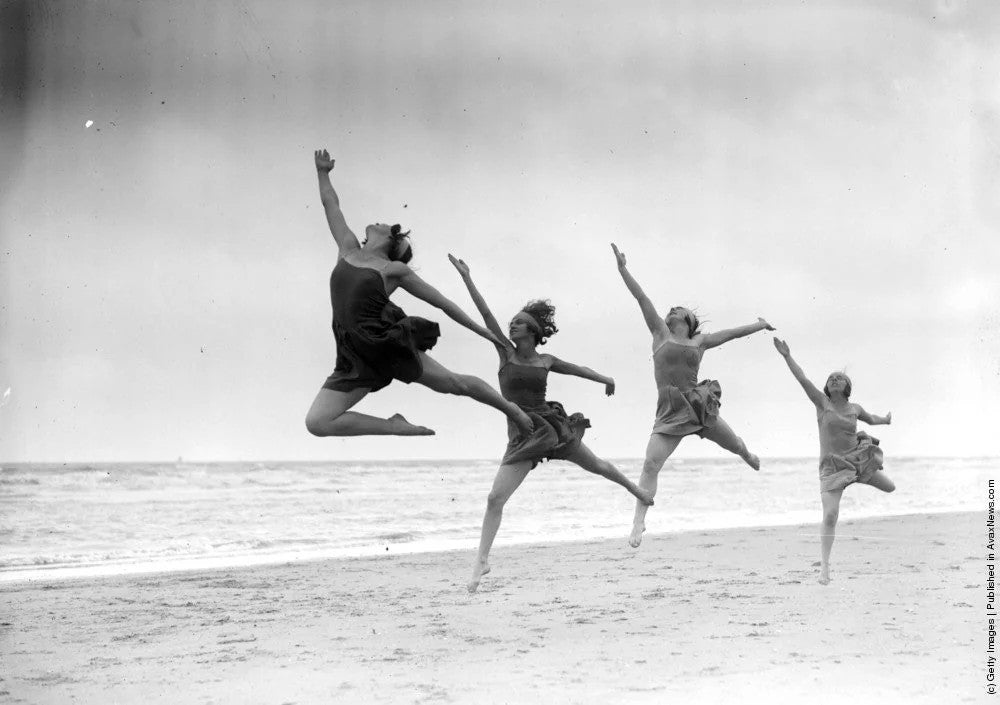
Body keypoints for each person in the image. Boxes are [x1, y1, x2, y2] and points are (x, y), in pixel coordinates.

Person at [449, 254, 654, 593]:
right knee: (494, 499)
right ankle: (481, 562)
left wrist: (607, 379)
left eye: (517, 323)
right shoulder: (505, 352)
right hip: (523, 434)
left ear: (532, 331)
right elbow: (484, 315)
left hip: (552, 427)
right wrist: (468, 278)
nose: (511, 326)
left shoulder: (546, 360)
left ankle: (638, 492)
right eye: (511, 322)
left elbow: (579, 369)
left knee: (597, 466)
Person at [304, 150, 533, 438]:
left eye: (387, 227)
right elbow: (331, 206)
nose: (380, 222)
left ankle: (512, 410)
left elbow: (443, 304)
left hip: (385, 345)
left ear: (392, 242)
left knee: (454, 384)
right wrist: (323, 172)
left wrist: (484, 332)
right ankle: (393, 426)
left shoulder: (392, 269)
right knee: (318, 423)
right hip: (353, 356)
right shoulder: (348, 248)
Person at [611, 243, 770, 548]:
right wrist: (622, 268)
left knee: (735, 444)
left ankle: (748, 456)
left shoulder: (700, 341)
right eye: (669, 310)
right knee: (650, 465)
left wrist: (760, 325)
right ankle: (638, 523)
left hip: (698, 406)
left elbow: (733, 334)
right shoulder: (659, 333)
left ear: (688, 321)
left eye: (677, 311)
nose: (670, 311)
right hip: (669, 411)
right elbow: (641, 298)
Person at [772, 337, 894, 585]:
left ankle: (860, 479)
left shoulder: (855, 408)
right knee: (830, 516)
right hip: (832, 467)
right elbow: (803, 379)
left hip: (858, 461)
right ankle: (825, 567)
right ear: (827, 387)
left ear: (848, 386)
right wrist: (787, 356)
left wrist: (886, 421)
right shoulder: (822, 403)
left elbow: (870, 418)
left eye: (840, 378)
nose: (835, 380)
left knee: (890, 487)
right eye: (831, 378)